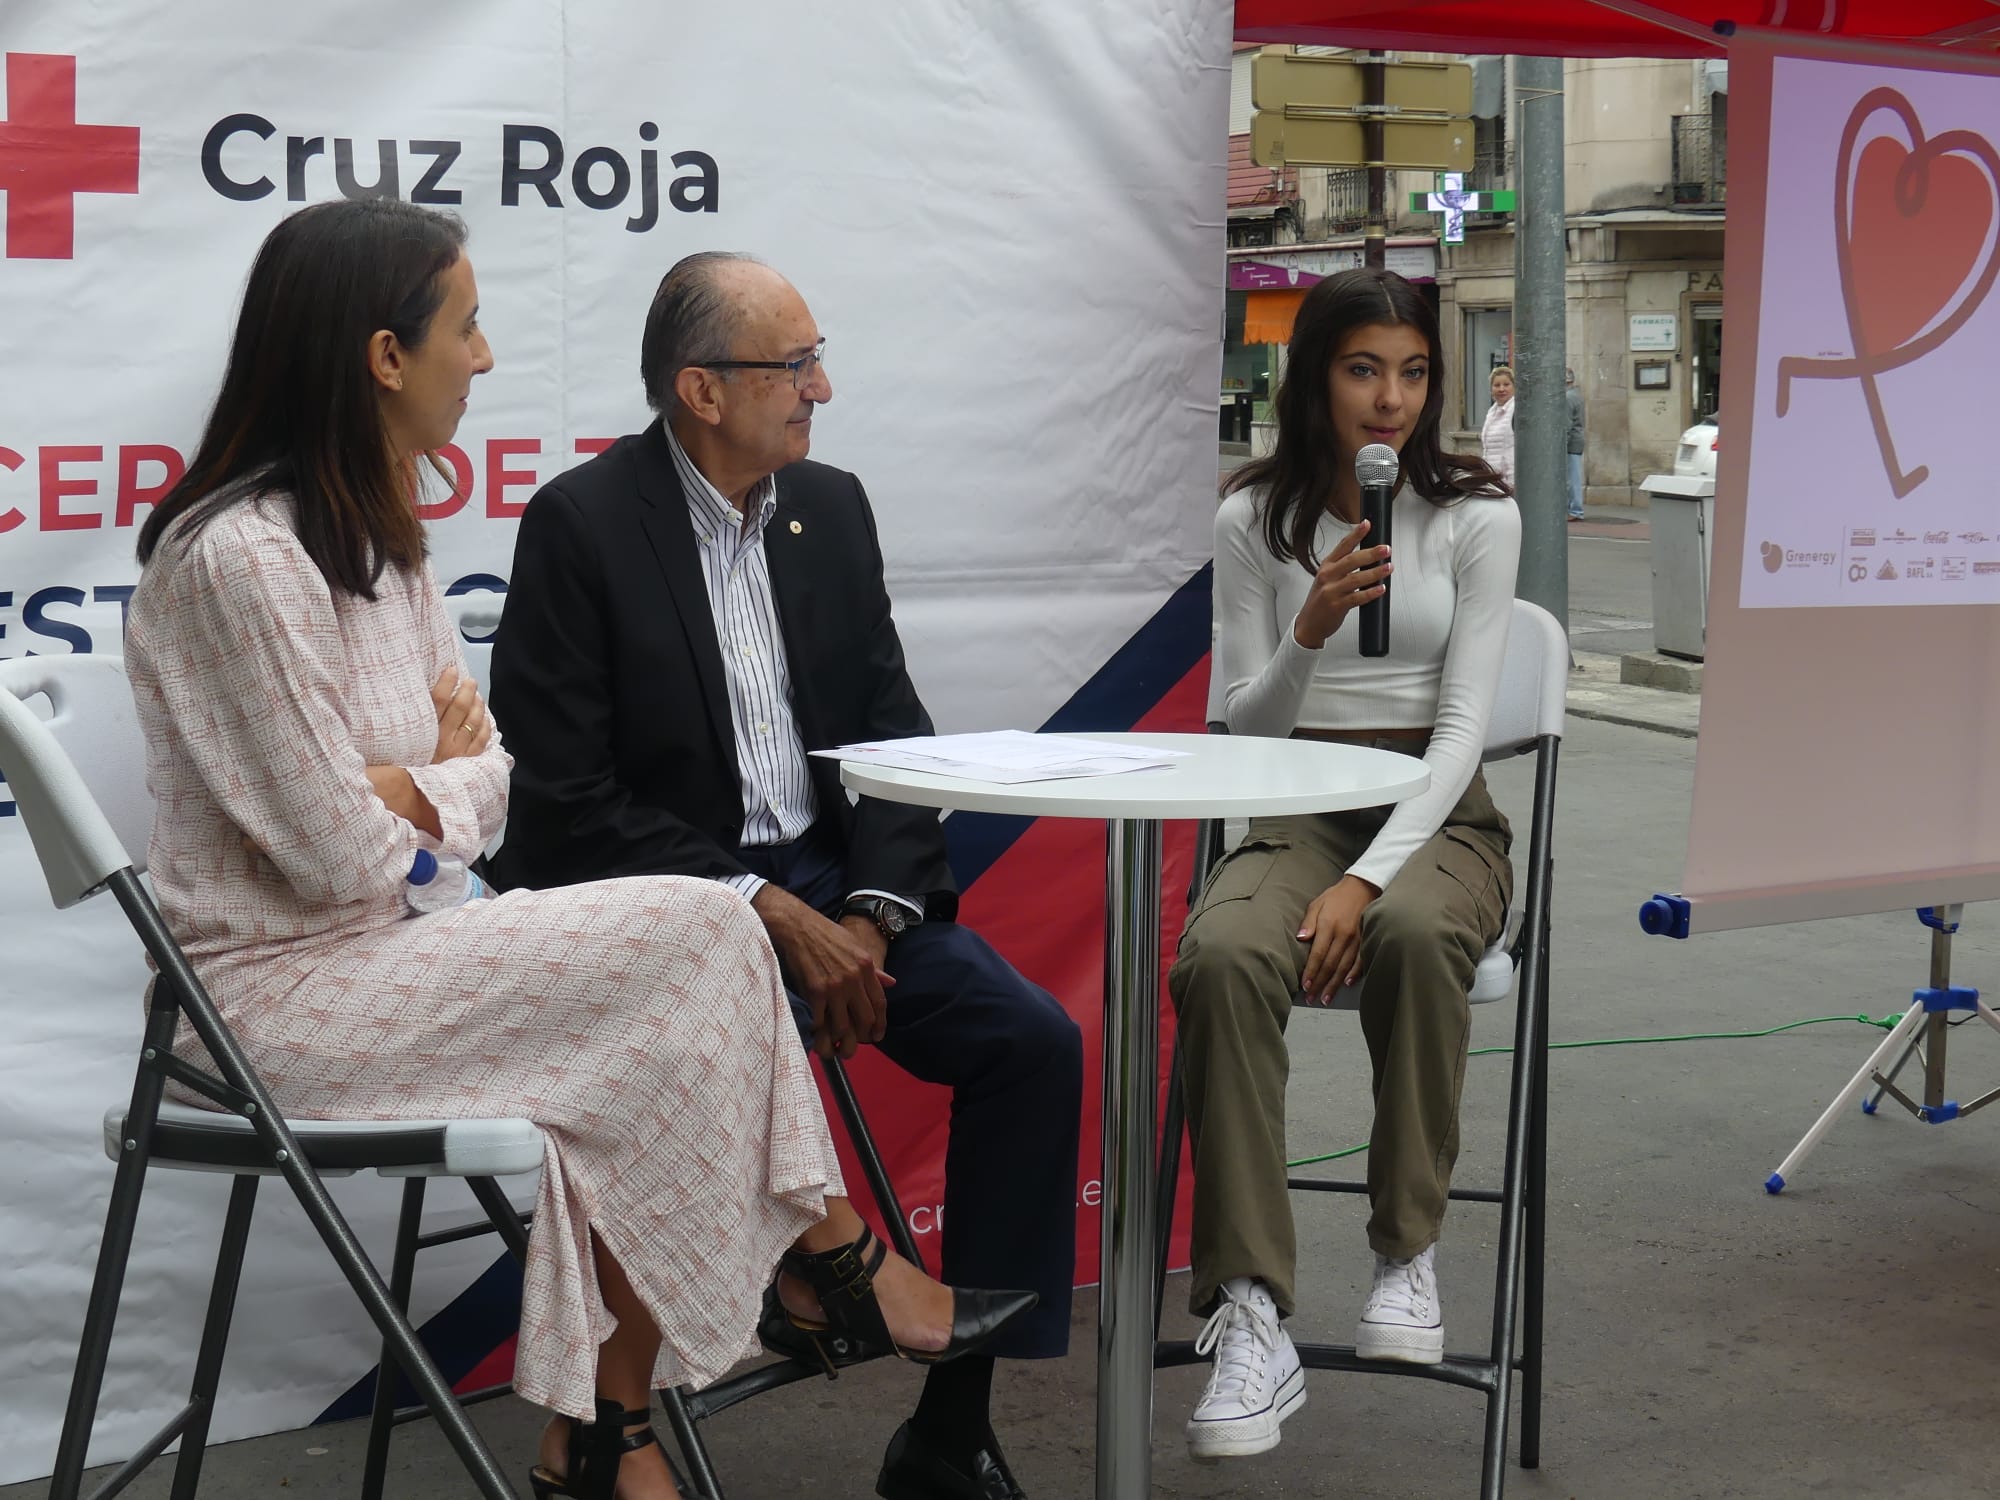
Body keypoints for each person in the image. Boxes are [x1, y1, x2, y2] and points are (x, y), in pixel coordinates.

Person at [123, 201, 1030, 1500]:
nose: (483, 358)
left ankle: (611, 1434)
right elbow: (333, 857)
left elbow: (497, 779)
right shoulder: (241, 562)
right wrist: (424, 786)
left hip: (397, 946)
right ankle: (820, 1271)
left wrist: (411, 786)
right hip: (272, 1005)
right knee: (690, 943)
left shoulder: (386, 547)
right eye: (466, 326)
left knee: (671, 965)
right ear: (385, 356)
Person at [488, 251, 1084, 1500]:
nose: (822, 386)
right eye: (794, 364)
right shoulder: (583, 526)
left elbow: (893, 743)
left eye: (818, 356)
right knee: (706, 1021)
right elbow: (562, 807)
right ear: (699, 390)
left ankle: (948, 1427)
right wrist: (759, 909)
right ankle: (685, 1374)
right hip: (669, 908)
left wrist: (866, 914)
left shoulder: (830, 509)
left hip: (832, 887)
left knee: (1028, 1041)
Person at [1167, 267, 1520, 1461]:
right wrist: (1308, 633)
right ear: (1315, 376)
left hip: (1431, 807)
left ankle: (1404, 1249)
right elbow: (1244, 733)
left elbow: (1464, 723)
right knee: (1216, 951)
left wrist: (1365, 883)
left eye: (1413, 371)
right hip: (1291, 798)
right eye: (1363, 369)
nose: (1392, 400)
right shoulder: (1249, 518)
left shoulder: (1477, 513)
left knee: (1419, 934)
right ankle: (1251, 1306)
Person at [1480, 363, 1516, 492]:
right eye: (1497, 385)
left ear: (1514, 387)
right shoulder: (1491, 412)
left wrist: (1513, 483)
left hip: (1511, 481)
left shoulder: (1517, 410)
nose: (1501, 389)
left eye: (1506, 384)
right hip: (1492, 480)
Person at [1565, 366, 1587, 521]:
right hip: (1577, 440)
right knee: (1574, 477)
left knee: (1572, 478)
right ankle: (1575, 509)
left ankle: (1575, 510)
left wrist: (1561, 445)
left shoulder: (1567, 398)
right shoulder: (1577, 395)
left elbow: (1566, 424)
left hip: (1571, 443)